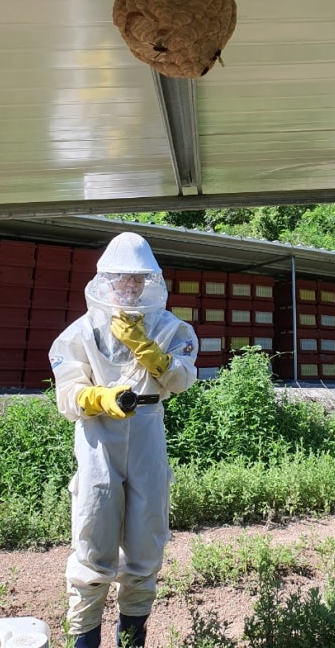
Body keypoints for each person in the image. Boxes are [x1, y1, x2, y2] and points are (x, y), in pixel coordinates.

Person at [49, 232, 198, 648]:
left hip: (148, 426)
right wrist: (99, 397)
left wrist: (151, 351)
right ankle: (84, 639)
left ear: (150, 282)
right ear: (106, 281)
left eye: (138, 279)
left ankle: (132, 639)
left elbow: (184, 378)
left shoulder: (171, 328)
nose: (130, 287)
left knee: (146, 536)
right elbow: (67, 395)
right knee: (94, 533)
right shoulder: (79, 332)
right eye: (122, 278)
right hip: (98, 435)